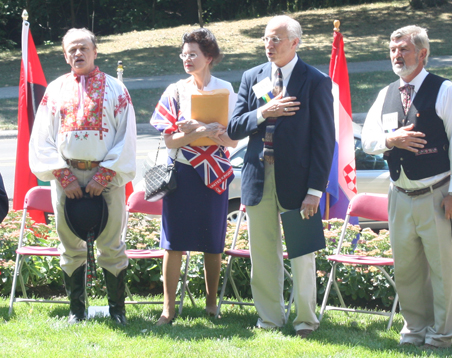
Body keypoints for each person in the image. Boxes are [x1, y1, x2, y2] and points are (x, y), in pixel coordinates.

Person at [362, 25, 452, 349]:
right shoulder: (386, 94)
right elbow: (367, 140)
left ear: (422, 54)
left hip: (437, 196)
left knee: (442, 271)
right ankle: (414, 330)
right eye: (393, 50)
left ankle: (441, 335)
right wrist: (389, 140)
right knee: (407, 271)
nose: (397, 55)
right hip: (400, 196)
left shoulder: (445, 90)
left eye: (403, 49)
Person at [227, 16, 335, 338]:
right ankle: (269, 320)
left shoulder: (314, 81)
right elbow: (234, 128)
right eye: (265, 39)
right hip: (258, 178)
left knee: (302, 253)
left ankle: (305, 322)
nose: (269, 45)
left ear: (295, 43)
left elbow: (324, 140)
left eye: (276, 39)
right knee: (262, 254)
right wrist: (265, 111)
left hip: (299, 182)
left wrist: (315, 190)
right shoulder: (252, 77)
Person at [29, 28, 136, 325]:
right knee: (69, 243)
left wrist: (105, 174)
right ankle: (77, 311)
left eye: (83, 48)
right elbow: (42, 137)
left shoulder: (116, 90)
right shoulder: (55, 90)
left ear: (95, 51)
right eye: (71, 50)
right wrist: (63, 175)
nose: (77, 53)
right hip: (67, 176)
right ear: (65, 55)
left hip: (108, 176)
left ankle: (118, 312)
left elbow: (126, 135)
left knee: (112, 243)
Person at [150, 28, 237, 325]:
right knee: (173, 243)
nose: (186, 59)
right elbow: (170, 141)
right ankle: (168, 309)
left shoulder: (226, 90)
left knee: (213, 241)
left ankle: (212, 304)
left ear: (208, 57)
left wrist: (197, 130)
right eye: (183, 54)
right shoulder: (175, 90)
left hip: (214, 173)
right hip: (182, 174)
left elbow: (232, 141)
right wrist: (201, 130)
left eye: (193, 54)